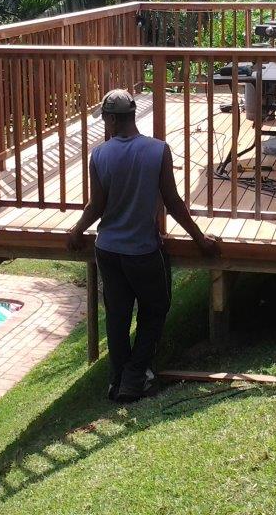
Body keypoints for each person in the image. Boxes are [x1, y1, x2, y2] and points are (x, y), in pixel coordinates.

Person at [66, 89, 219, 403]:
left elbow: (96, 206)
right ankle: (134, 377)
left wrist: (76, 231)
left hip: (107, 250)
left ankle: (118, 380)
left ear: (111, 119)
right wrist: (199, 239)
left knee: (118, 316)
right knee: (155, 310)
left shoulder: (99, 155)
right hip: (143, 251)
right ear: (132, 115)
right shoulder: (157, 150)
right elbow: (173, 202)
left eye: (105, 119)